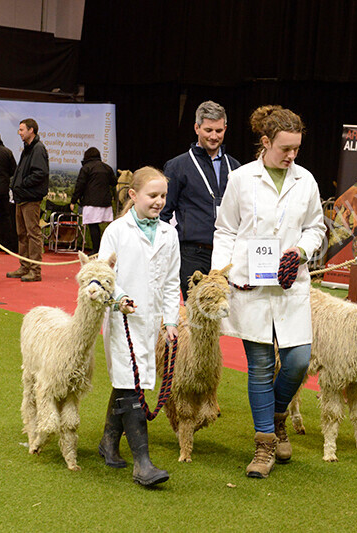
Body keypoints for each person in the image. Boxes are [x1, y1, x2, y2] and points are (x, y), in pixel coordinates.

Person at [211, 105, 326, 479]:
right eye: (285, 148)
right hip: (251, 284)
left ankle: (277, 416)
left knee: (298, 360)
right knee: (260, 365)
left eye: (296, 149)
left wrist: (302, 250)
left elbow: (316, 228)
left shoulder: (306, 181)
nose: (291, 156)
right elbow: (226, 229)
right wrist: (219, 273)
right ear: (265, 142)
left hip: (291, 284)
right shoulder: (241, 178)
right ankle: (264, 444)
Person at [96, 166, 180, 487]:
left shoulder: (169, 234)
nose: (159, 202)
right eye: (152, 195)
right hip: (122, 320)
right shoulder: (116, 231)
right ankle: (142, 464)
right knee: (131, 383)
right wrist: (120, 297)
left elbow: (172, 282)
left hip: (151, 322)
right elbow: (104, 272)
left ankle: (107, 442)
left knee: (128, 381)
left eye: (163, 196)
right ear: (133, 195)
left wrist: (170, 320)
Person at [161, 100, 241, 301]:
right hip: (192, 253)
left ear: (225, 129)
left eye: (218, 130)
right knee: (195, 316)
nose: (214, 136)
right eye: (208, 130)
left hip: (229, 253)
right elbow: (164, 213)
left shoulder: (236, 167)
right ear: (196, 128)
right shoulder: (177, 166)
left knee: (228, 315)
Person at [7, 118, 49, 282]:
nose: (19, 133)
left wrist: (22, 184)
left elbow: (40, 173)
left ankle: (34, 270)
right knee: (22, 234)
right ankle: (24, 266)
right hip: (22, 197)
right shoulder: (28, 149)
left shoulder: (38, 149)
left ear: (31, 130)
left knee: (32, 234)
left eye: (22, 129)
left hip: (30, 198)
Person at [70, 147, 117, 253]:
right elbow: (114, 182)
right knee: (106, 227)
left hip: (91, 202)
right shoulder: (107, 168)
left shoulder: (86, 168)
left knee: (93, 226)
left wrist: (73, 201)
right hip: (105, 202)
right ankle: (106, 249)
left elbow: (80, 186)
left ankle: (96, 250)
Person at [0, 131, 18, 252]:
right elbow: (14, 170)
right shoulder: (7, 152)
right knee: (5, 217)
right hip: (3, 188)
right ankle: (8, 245)